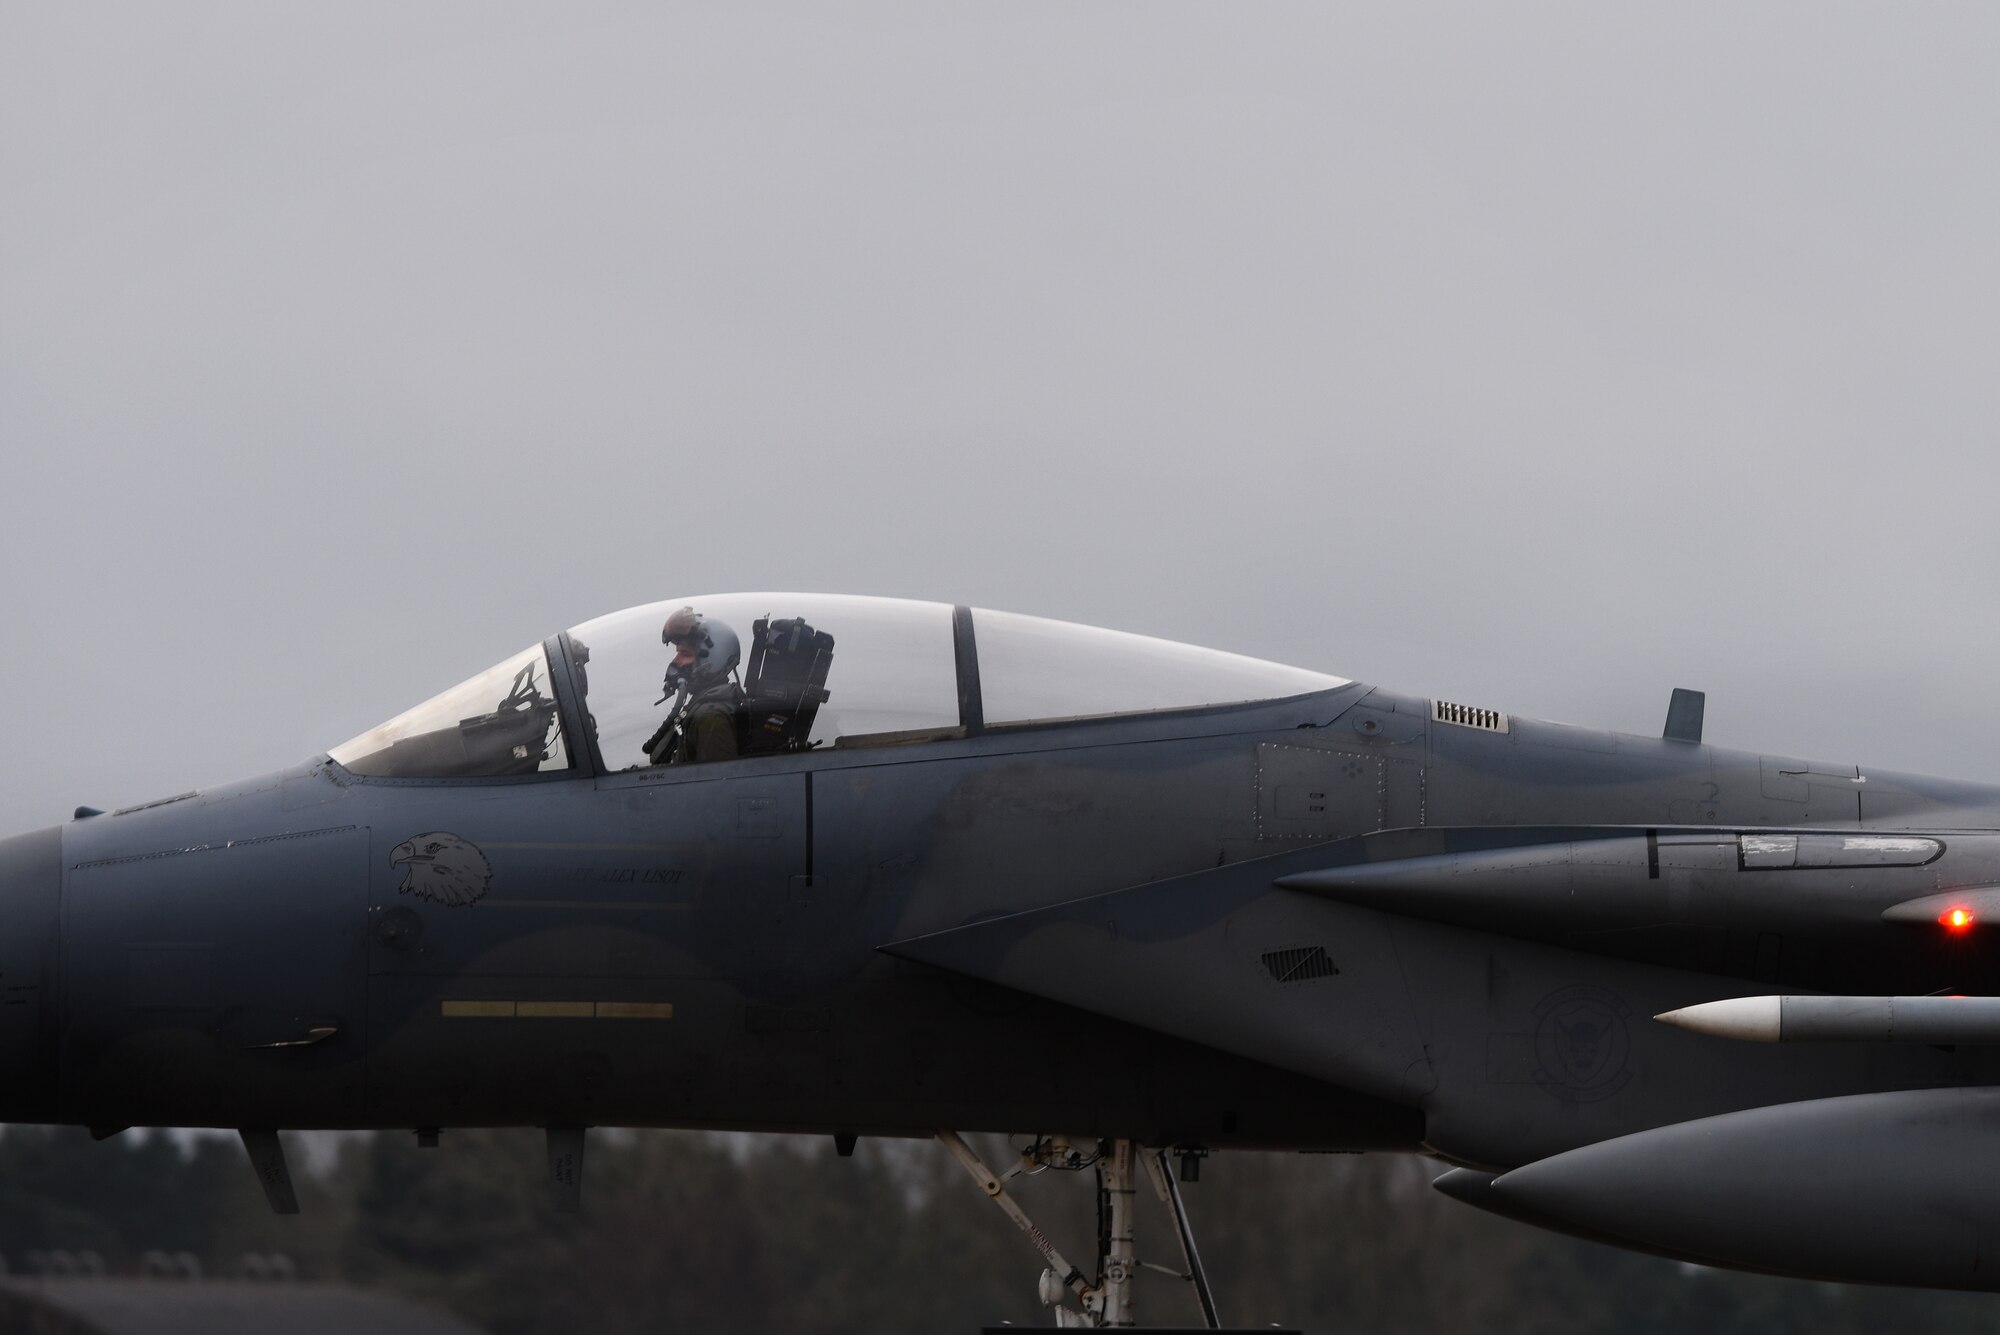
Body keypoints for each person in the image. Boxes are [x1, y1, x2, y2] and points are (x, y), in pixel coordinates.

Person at [643, 607, 743, 765]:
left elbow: (717, 782)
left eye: (686, 654)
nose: (676, 662)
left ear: (713, 660)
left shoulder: (711, 716)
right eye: (677, 653)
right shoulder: (701, 705)